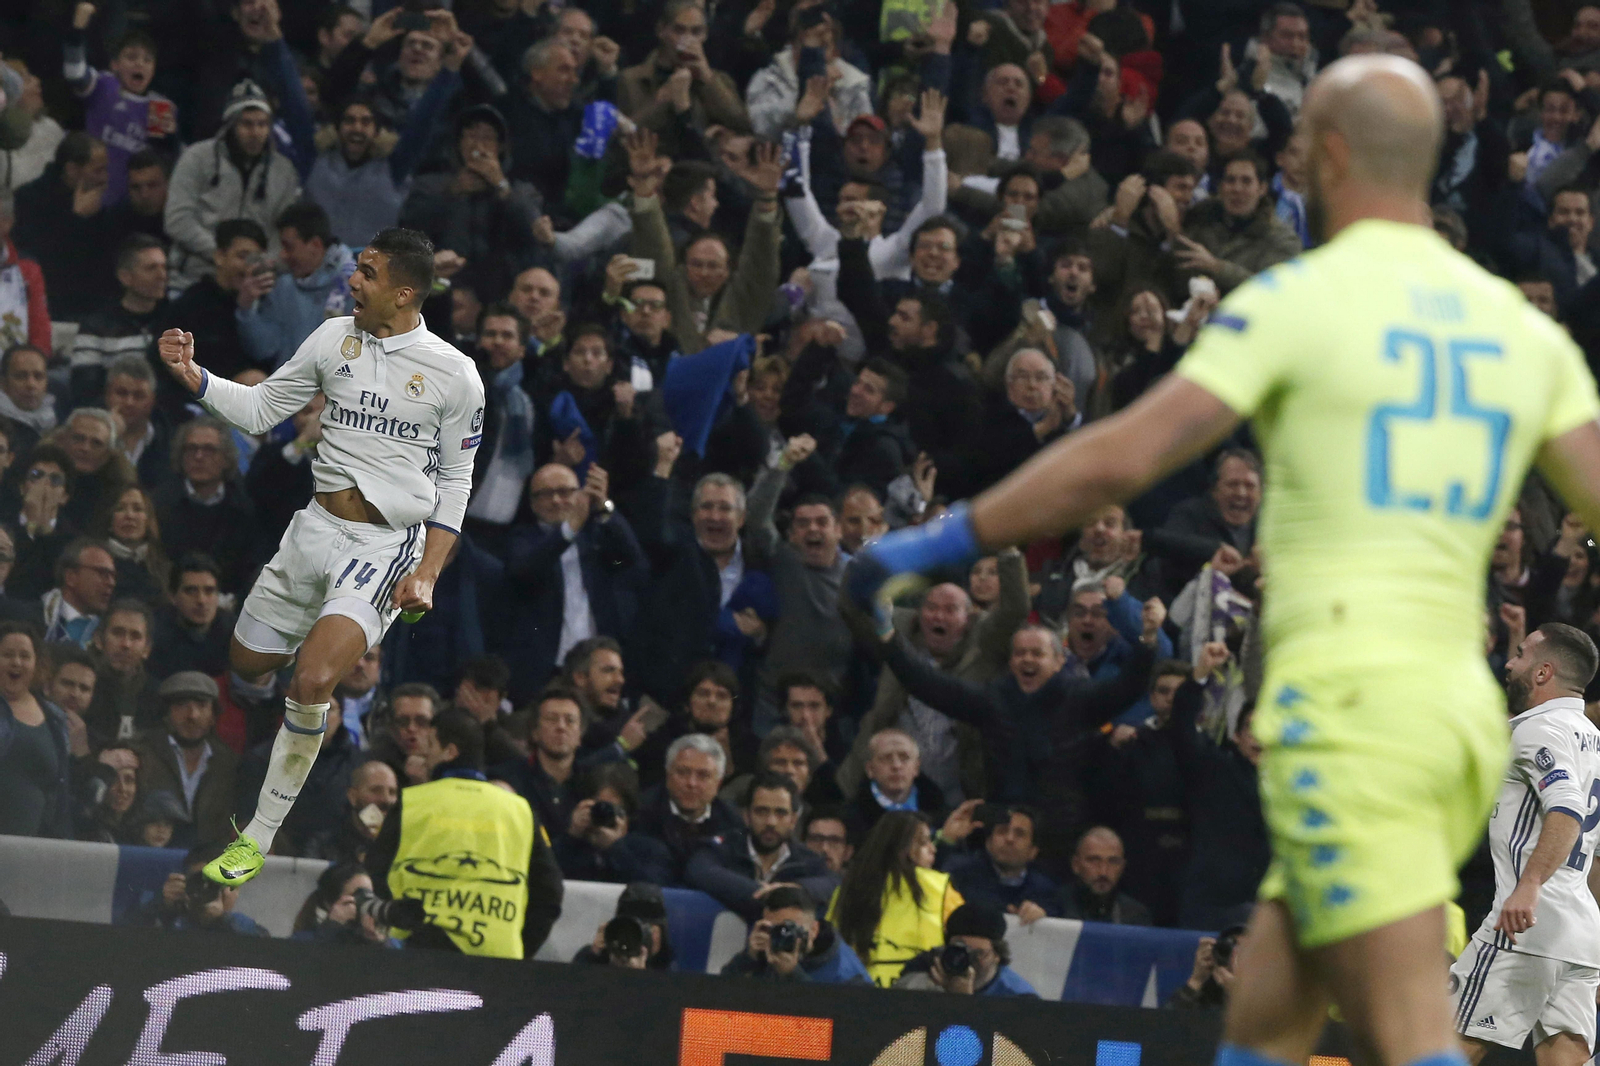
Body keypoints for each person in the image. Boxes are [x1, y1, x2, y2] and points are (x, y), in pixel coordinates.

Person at [849, 53, 1600, 1066]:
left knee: (1410, 1035)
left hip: (1347, 702)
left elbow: (1120, 453)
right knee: (1267, 1007)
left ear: (1328, 154)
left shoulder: (1302, 299)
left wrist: (937, 538)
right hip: (1453, 718)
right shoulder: (1524, 332)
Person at [157, 225, 486, 888]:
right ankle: (328, 630)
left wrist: (427, 572)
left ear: (401, 291)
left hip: (385, 543)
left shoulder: (455, 374)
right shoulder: (333, 338)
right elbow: (259, 411)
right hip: (311, 532)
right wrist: (197, 380)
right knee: (246, 662)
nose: (351, 281)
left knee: (311, 685)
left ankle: (257, 837)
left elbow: (456, 483)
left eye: (364, 272)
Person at [1452, 624, 1600, 1065]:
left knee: (1439, 1044)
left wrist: (1531, 883)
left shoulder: (1540, 731)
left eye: (1519, 655)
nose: (1511, 664)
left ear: (1542, 672)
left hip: (1526, 925)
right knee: (1566, 1058)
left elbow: (1567, 809)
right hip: (1580, 934)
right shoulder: (1592, 742)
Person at [367, 709, 563, 959]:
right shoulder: (520, 810)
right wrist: (520, 949)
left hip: (417, 958)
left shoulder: (412, 802)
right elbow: (550, 892)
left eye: (430, 745)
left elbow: (374, 873)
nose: (423, 756)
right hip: (495, 964)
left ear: (450, 752)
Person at [164, 80, 301, 291]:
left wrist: (257, 262)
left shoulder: (284, 171)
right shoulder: (196, 157)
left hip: (257, 282)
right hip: (194, 279)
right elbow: (177, 220)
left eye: (262, 124)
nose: (255, 132)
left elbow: (282, 232)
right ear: (230, 124)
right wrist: (223, 255)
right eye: (247, 124)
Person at [828, 810, 962, 987]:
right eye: (924, 842)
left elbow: (830, 948)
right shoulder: (941, 888)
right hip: (921, 997)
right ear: (903, 848)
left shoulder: (846, 888)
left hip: (854, 997)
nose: (933, 849)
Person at [685, 771, 839, 921]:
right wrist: (767, 895)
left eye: (780, 813)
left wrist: (796, 889)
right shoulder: (723, 847)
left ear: (793, 820)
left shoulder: (807, 860)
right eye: (761, 811)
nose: (771, 822)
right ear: (746, 816)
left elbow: (833, 882)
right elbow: (699, 869)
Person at [236, 201, 356, 368]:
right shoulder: (283, 287)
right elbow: (264, 350)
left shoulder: (355, 286)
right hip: (286, 387)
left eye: (289, 247)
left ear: (315, 245)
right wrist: (246, 307)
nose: (283, 255)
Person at [130, 672, 239, 848]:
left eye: (202, 706)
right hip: (150, 856)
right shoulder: (141, 753)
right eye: (181, 705)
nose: (192, 715)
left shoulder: (228, 763)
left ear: (213, 716)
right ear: (166, 713)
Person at [634, 732, 742, 883]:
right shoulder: (640, 813)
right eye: (683, 772)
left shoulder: (733, 822)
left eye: (703, 775)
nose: (691, 783)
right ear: (668, 775)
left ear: (718, 783)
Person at [0, 621, 72, 837]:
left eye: (25, 656)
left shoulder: (55, 718)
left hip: (33, 850)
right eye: (8, 655)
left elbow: (60, 792)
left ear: (36, 664)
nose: (17, 662)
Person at [720, 883, 872, 984]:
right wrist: (748, 958)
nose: (781, 935)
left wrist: (793, 974)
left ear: (814, 930)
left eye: (789, 928)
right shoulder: (764, 953)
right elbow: (719, 995)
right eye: (773, 929)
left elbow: (836, 1020)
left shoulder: (846, 972)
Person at [891, 902, 1039, 997]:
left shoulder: (1017, 997)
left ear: (997, 955)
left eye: (979, 953)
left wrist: (962, 1000)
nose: (968, 960)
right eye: (960, 949)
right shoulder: (922, 975)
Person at [947, 805, 1063, 924]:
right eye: (1002, 831)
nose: (1009, 838)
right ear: (988, 843)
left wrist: (1045, 916)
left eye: (1019, 834)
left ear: (1033, 851)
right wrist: (946, 841)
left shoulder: (1046, 891)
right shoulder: (962, 874)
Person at [1058, 825, 1152, 925]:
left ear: (1122, 867)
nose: (1103, 872)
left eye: (1113, 861)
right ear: (1075, 864)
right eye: (1094, 860)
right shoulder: (1054, 907)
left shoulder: (1136, 915)